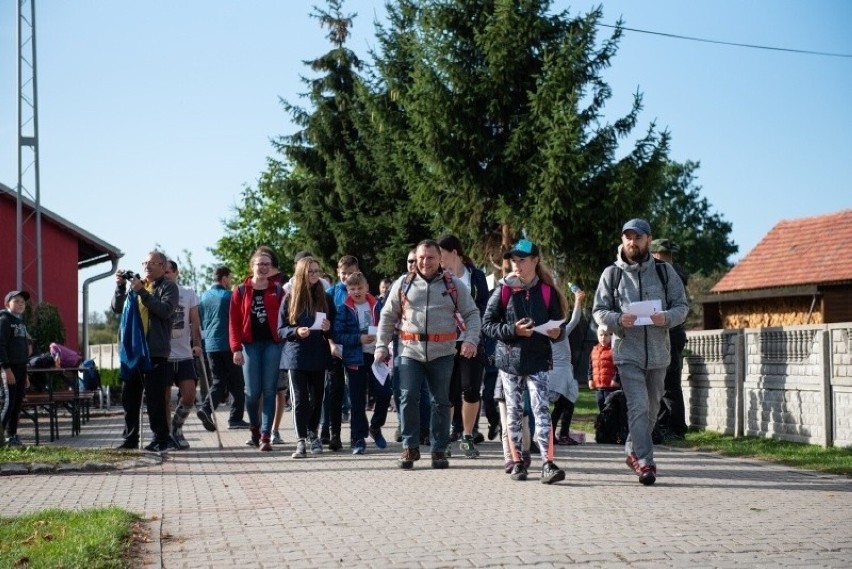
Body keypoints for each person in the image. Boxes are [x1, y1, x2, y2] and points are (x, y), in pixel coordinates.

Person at [592, 219, 688, 485]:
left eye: (638, 237)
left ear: (648, 240)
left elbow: (682, 307)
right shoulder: (612, 274)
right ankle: (646, 462)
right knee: (638, 404)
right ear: (623, 240)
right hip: (627, 351)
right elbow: (598, 310)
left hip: (659, 353)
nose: (632, 242)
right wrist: (618, 319)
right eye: (628, 237)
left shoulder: (664, 272)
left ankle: (632, 449)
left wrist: (666, 317)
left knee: (653, 406)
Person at [375, 239, 482, 470]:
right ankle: (410, 447)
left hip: (443, 353)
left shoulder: (453, 285)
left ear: (439, 259)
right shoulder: (403, 284)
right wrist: (381, 346)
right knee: (408, 396)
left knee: (441, 402)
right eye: (421, 258)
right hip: (409, 351)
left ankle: (438, 450)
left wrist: (471, 339)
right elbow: (387, 316)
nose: (425, 262)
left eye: (430, 257)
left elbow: (472, 313)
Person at [482, 239, 568, 484]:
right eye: (514, 260)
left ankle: (548, 464)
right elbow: (487, 325)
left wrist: (556, 333)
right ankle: (518, 462)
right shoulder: (503, 290)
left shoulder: (546, 291)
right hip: (509, 362)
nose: (517, 265)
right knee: (514, 413)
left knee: (542, 410)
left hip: (538, 360)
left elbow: (558, 326)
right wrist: (514, 331)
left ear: (535, 261)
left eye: (523, 260)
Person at [112, 251, 179, 452]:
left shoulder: (168, 286)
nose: (147, 266)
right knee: (129, 397)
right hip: (133, 352)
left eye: (152, 263)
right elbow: (117, 308)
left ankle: (161, 439)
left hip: (155, 351)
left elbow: (165, 310)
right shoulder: (137, 285)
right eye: (145, 263)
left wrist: (142, 292)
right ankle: (130, 438)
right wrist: (120, 286)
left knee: (155, 398)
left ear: (162, 266)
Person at [437, 234, 490, 458]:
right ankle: (445, 437)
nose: (437, 259)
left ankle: (467, 435)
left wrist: (471, 328)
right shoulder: (438, 277)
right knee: (447, 393)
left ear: (454, 253)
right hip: (446, 341)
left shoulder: (476, 276)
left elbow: (485, 305)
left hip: (471, 340)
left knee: (470, 389)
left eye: (441, 254)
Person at [278, 256, 335, 458]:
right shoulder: (290, 298)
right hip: (297, 356)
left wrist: (329, 329)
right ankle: (301, 440)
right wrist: (296, 331)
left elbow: (333, 327)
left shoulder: (325, 298)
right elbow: (281, 329)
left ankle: (314, 434)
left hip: (319, 355)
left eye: (316, 271)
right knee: (300, 399)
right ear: (301, 273)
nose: (314, 275)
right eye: (310, 271)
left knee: (317, 398)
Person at [229, 249, 285, 452]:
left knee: (269, 390)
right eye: (259, 264)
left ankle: (265, 436)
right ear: (251, 266)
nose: (262, 268)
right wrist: (235, 348)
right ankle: (254, 428)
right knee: (252, 393)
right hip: (249, 346)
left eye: (266, 264)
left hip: (273, 344)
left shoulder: (278, 290)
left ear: (271, 268)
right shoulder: (240, 291)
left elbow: (285, 317)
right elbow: (233, 322)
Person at [333, 272, 392, 454]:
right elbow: (338, 334)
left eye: (360, 288)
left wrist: (383, 342)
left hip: (377, 356)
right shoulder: (344, 309)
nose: (356, 292)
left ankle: (375, 426)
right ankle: (359, 439)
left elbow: (388, 325)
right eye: (352, 289)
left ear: (367, 288)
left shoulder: (378, 304)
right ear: (348, 290)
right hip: (355, 359)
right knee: (357, 401)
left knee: (384, 392)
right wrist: (358, 338)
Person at [162, 260, 209, 450]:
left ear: (176, 273)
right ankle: (166, 436)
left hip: (184, 354)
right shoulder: (157, 293)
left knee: (189, 395)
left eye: (168, 273)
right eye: (162, 273)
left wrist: (197, 344)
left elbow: (195, 321)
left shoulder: (188, 293)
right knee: (164, 398)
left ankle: (177, 427)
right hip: (163, 355)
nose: (165, 276)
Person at [198, 266, 249, 430]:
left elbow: (199, 319)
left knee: (219, 380)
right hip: (228, 344)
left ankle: (208, 409)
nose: (231, 281)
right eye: (230, 277)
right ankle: (233, 418)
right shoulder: (229, 296)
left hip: (210, 345)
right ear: (225, 278)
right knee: (237, 382)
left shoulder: (203, 297)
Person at [650, 238, 690, 441]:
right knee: (668, 383)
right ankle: (669, 425)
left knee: (668, 384)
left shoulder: (667, 274)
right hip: (674, 333)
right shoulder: (676, 272)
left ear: (656, 254)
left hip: (670, 333)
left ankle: (674, 427)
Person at [321, 255, 359, 448]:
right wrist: (330, 343)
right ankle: (333, 433)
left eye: (350, 273)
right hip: (334, 347)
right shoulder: (329, 293)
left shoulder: (360, 292)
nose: (346, 277)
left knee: (355, 391)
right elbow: (323, 323)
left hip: (355, 347)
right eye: (343, 273)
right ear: (338, 273)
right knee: (334, 390)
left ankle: (356, 435)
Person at [549, 287, 587, 446]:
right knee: (565, 404)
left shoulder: (562, 330)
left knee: (565, 404)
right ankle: (557, 434)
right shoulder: (550, 333)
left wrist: (578, 300)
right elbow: (574, 320)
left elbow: (574, 320)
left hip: (564, 372)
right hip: (558, 374)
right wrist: (578, 300)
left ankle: (558, 434)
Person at [1, 290, 31, 447]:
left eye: (23, 302)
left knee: (17, 403)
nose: (20, 304)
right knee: (8, 402)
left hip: (21, 369)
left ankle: (12, 435)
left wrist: (25, 373)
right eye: (16, 301)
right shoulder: (4, 320)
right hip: (9, 369)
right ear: (7, 304)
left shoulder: (20, 322)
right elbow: (1, 346)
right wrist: (6, 369)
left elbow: (24, 348)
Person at [587, 326, 620, 412]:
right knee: (601, 409)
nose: (603, 338)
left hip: (611, 387)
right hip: (599, 387)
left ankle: (613, 425)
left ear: (611, 336)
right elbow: (591, 366)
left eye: (606, 335)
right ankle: (603, 425)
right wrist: (590, 379)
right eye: (601, 335)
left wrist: (616, 379)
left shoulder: (614, 350)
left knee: (611, 410)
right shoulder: (594, 350)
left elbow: (619, 367)